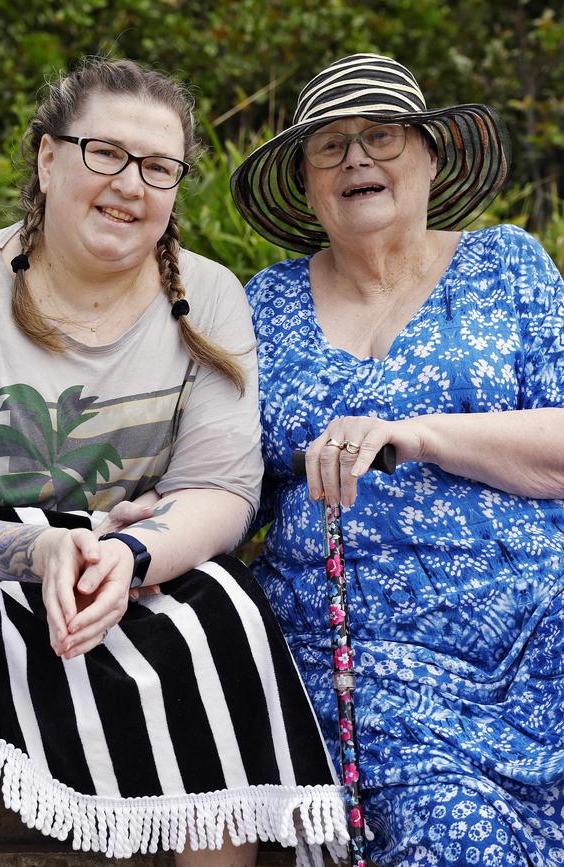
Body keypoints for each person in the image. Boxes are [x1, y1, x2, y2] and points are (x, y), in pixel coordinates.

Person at [0, 57, 349, 866]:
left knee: (226, 607)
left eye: (158, 167)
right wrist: (38, 549)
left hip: (138, 560)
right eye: (104, 153)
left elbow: (220, 490)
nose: (130, 184)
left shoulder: (210, 297)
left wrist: (127, 554)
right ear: (48, 159)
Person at [230, 53, 564, 867]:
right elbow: (227, 479)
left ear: (430, 155)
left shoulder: (506, 265)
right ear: (307, 183)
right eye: (330, 146)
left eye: (381, 136)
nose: (357, 160)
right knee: (453, 829)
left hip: (538, 629)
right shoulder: (262, 302)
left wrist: (415, 433)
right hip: (359, 652)